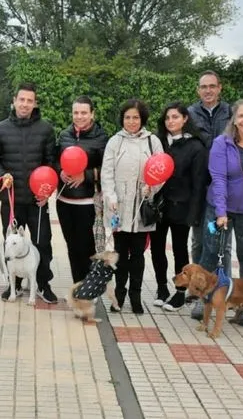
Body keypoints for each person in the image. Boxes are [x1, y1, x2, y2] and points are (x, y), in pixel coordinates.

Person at [193, 99, 243, 326]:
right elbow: (218, 178)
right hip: (219, 209)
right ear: (234, 120)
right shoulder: (221, 143)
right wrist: (220, 211)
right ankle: (203, 299)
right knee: (210, 252)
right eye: (241, 116)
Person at [0, 82, 58, 303]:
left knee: (42, 243)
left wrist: (47, 191)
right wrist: (3, 175)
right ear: (14, 101)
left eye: (30, 100)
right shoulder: (0, 130)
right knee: (11, 243)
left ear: (34, 103)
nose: (25, 104)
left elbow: (51, 163)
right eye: (22, 99)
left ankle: (43, 284)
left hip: (38, 201)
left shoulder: (46, 129)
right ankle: (14, 285)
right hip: (12, 200)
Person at [101, 99, 165, 315]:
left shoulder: (152, 142)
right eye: (127, 117)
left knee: (138, 255)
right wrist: (110, 195)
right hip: (119, 206)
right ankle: (119, 294)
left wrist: (152, 188)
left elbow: (161, 170)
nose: (131, 121)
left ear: (142, 119)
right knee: (120, 254)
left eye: (135, 117)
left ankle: (135, 295)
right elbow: (107, 172)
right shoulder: (114, 142)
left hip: (142, 207)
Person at [150, 102, 209, 311]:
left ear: (185, 119)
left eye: (175, 117)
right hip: (159, 205)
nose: (170, 121)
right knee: (157, 248)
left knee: (179, 249)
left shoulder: (195, 146)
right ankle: (161, 288)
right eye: (167, 118)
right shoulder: (157, 142)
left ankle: (180, 292)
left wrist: (193, 213)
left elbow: (199, 183)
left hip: (182, 207)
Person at [55, 96, 108, 283]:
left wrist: (85, 175)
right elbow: (55, 160)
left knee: (87, 248)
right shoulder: (64, 135)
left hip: (87, 204)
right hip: (64, 203)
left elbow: (108, 170)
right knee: (72, 247)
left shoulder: (101, 138)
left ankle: (89, 287)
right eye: (76, 112)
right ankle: (78, 286)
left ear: (92, 113)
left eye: (84, 112)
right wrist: (60, 171)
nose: (79, 116)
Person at [186, 71, 232, 283]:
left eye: (212, 86)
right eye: (204, 87)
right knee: (198, 240)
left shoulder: (231, 112)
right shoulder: (190, 113)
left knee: (224, 243)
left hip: (224, 186)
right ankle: (199, 287)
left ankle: (225, 288)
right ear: (198, 90)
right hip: (199, 185)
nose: (208, 90)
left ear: (219, 88)